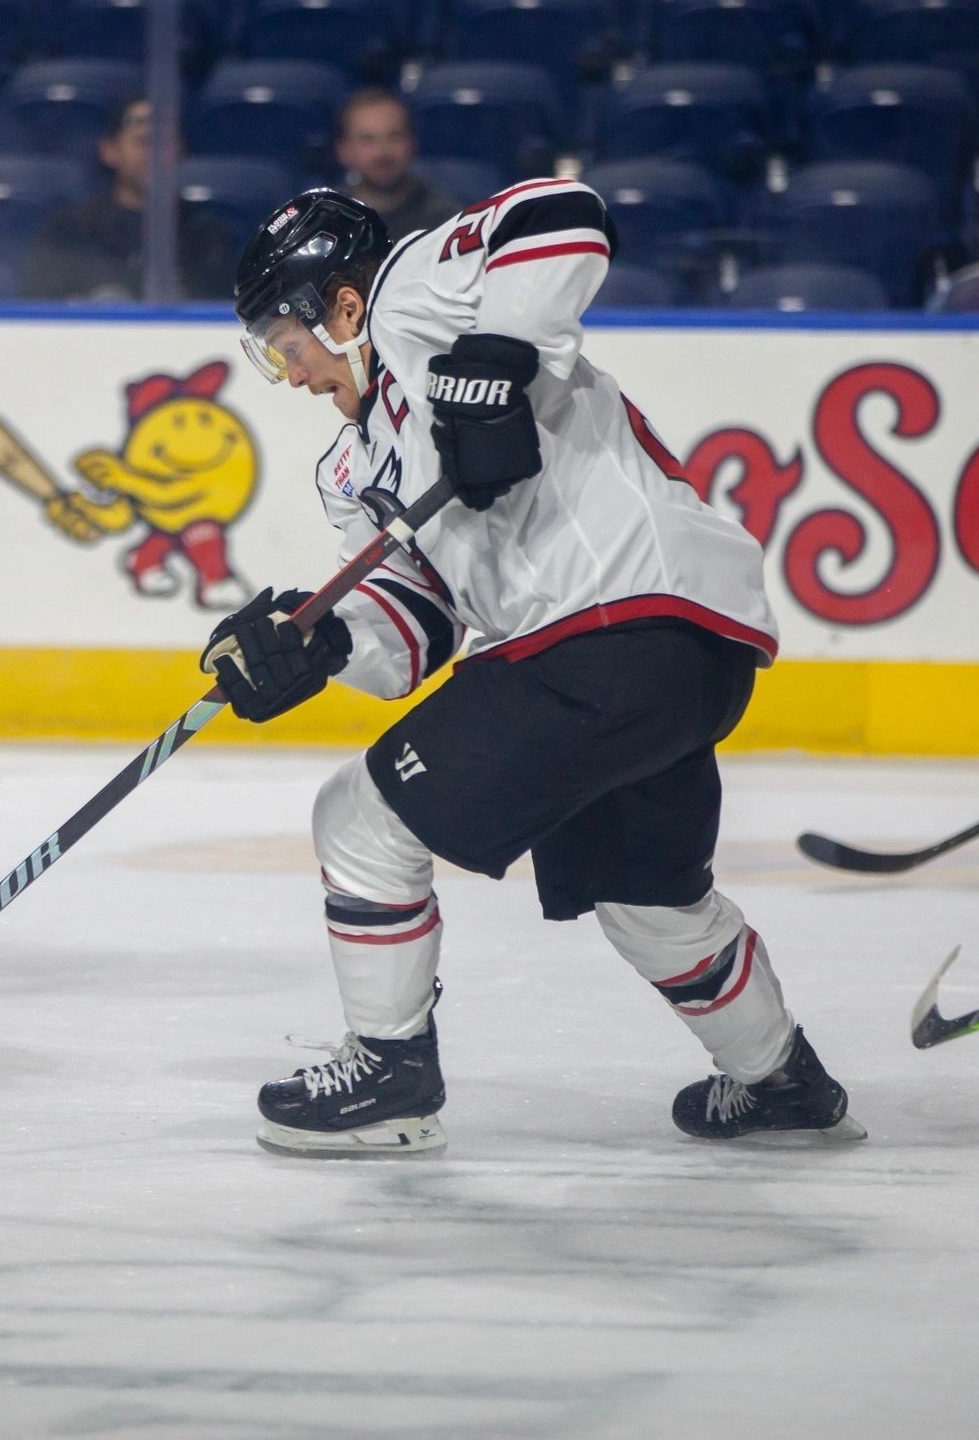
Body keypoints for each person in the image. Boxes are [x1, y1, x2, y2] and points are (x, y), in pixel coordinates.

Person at [207, 184, 863, 1156]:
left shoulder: (414, 297)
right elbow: (420, 626)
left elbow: (562, 215)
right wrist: (321, 644)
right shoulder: (353, 471)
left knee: (361, 821)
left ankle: (389, 1074)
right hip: (672, 657)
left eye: (285, 342)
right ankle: (779, 1083)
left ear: (342, 308)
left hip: (608, 630)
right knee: (647, 898)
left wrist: (494, 360)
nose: (290, 373)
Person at [19, 99, 241, 301]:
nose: (153, 154)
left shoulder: (206, 234)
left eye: (163, 142)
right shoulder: (69, 230)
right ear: (110, 150)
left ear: (180, 151)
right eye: (143, 141)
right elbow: (40, 310)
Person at [333, 88, 461, 243]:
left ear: (413, 143)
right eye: (367, 140)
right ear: (343, 151)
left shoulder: (447, 221)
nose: (382, 152)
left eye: (394, 137)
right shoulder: (328, 217)